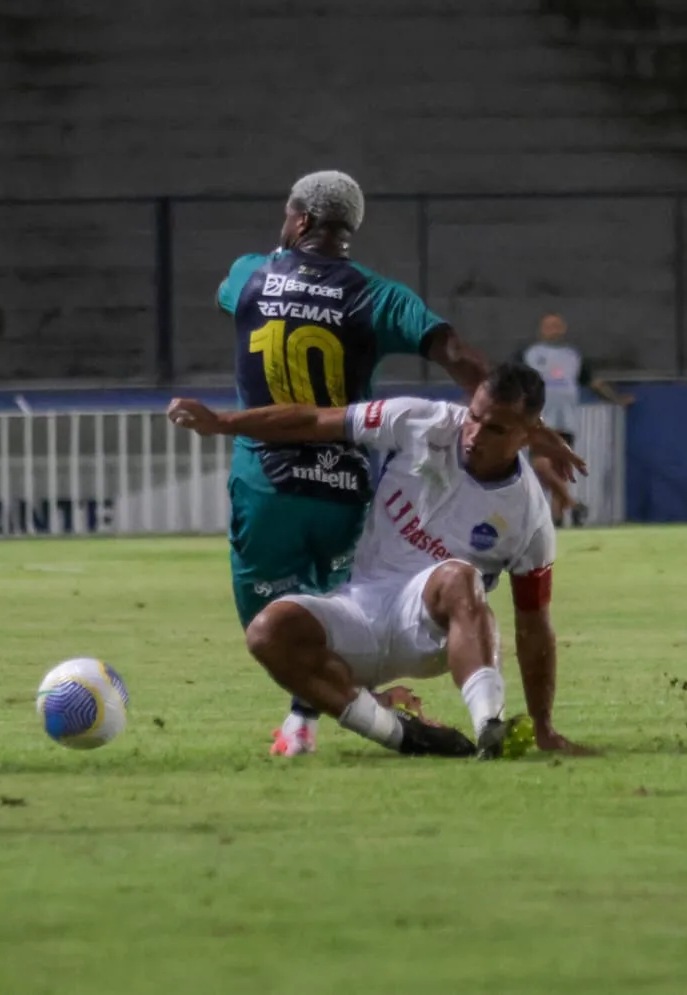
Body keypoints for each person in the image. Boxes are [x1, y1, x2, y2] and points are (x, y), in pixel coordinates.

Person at [216, 171, 583, 756]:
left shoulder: (246, 275)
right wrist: (534, 433)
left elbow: (292, 397)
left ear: (301, 220)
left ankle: (305, 725)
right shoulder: (378, 295)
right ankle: (371, 721)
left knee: (271, 625)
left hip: (267, 479)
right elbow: (460, 357)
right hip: (343, 486)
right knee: (328, 603)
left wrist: (221, 423)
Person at [169, 363, 592, 760]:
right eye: (474, 417)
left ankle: (489, 727)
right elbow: (316, 421)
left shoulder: (529, 516)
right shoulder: (420, 420)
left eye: (495, 428)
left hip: (430, 633)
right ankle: (402, 735)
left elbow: (534, 622)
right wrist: (223, 422)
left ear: (529, 435)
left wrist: (543, 727)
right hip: (359, 607)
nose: (475, 434)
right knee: (267, 632)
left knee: (458, 575)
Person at [519, 313, 634, 526]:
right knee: (541, 464)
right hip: (539, 418)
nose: (553, 330)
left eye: (557, 326)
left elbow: (593, 382)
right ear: (541, 329)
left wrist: (617, 399)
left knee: (560, 468)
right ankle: (572, 503)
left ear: (563, 329)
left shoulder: (573, 356)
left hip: (567, 419)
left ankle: (558, 518)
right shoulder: (529, 354)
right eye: (548, 326)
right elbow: (508, 379)